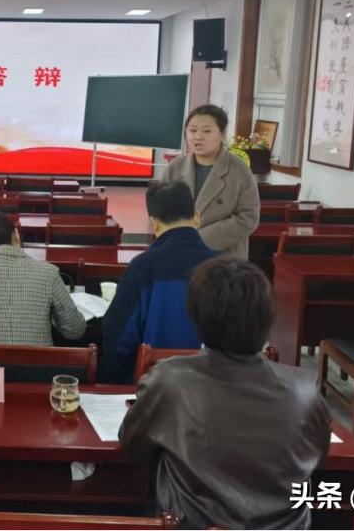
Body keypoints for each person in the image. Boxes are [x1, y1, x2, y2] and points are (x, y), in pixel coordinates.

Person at [120, 258, 330, 529]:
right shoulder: (305, 388)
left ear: (197, 317)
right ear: (268, 317)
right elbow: (319, 457)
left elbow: (133, 445)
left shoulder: (170, 379)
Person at [100, 181, 218, 383]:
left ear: (154, 223)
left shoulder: (143, 267)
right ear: (197, 217)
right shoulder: (226, 266)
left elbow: (119, 335)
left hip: (153, 384)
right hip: (212, 385)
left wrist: (113, 381)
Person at [0, 208, 85, 345]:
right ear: (16, 234)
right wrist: (49, 315)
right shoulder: (49, 272)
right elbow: (75, 330)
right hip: (39, 359)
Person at [164, 105, 259, 258]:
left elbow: (248, 218)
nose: (198, 137)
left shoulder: (239, 170)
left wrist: (198, 240)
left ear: (222, 135)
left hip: (223, 257)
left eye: (207, 131)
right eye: (192, 130)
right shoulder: (175, 167)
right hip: (179, 252)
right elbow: (161, 209)